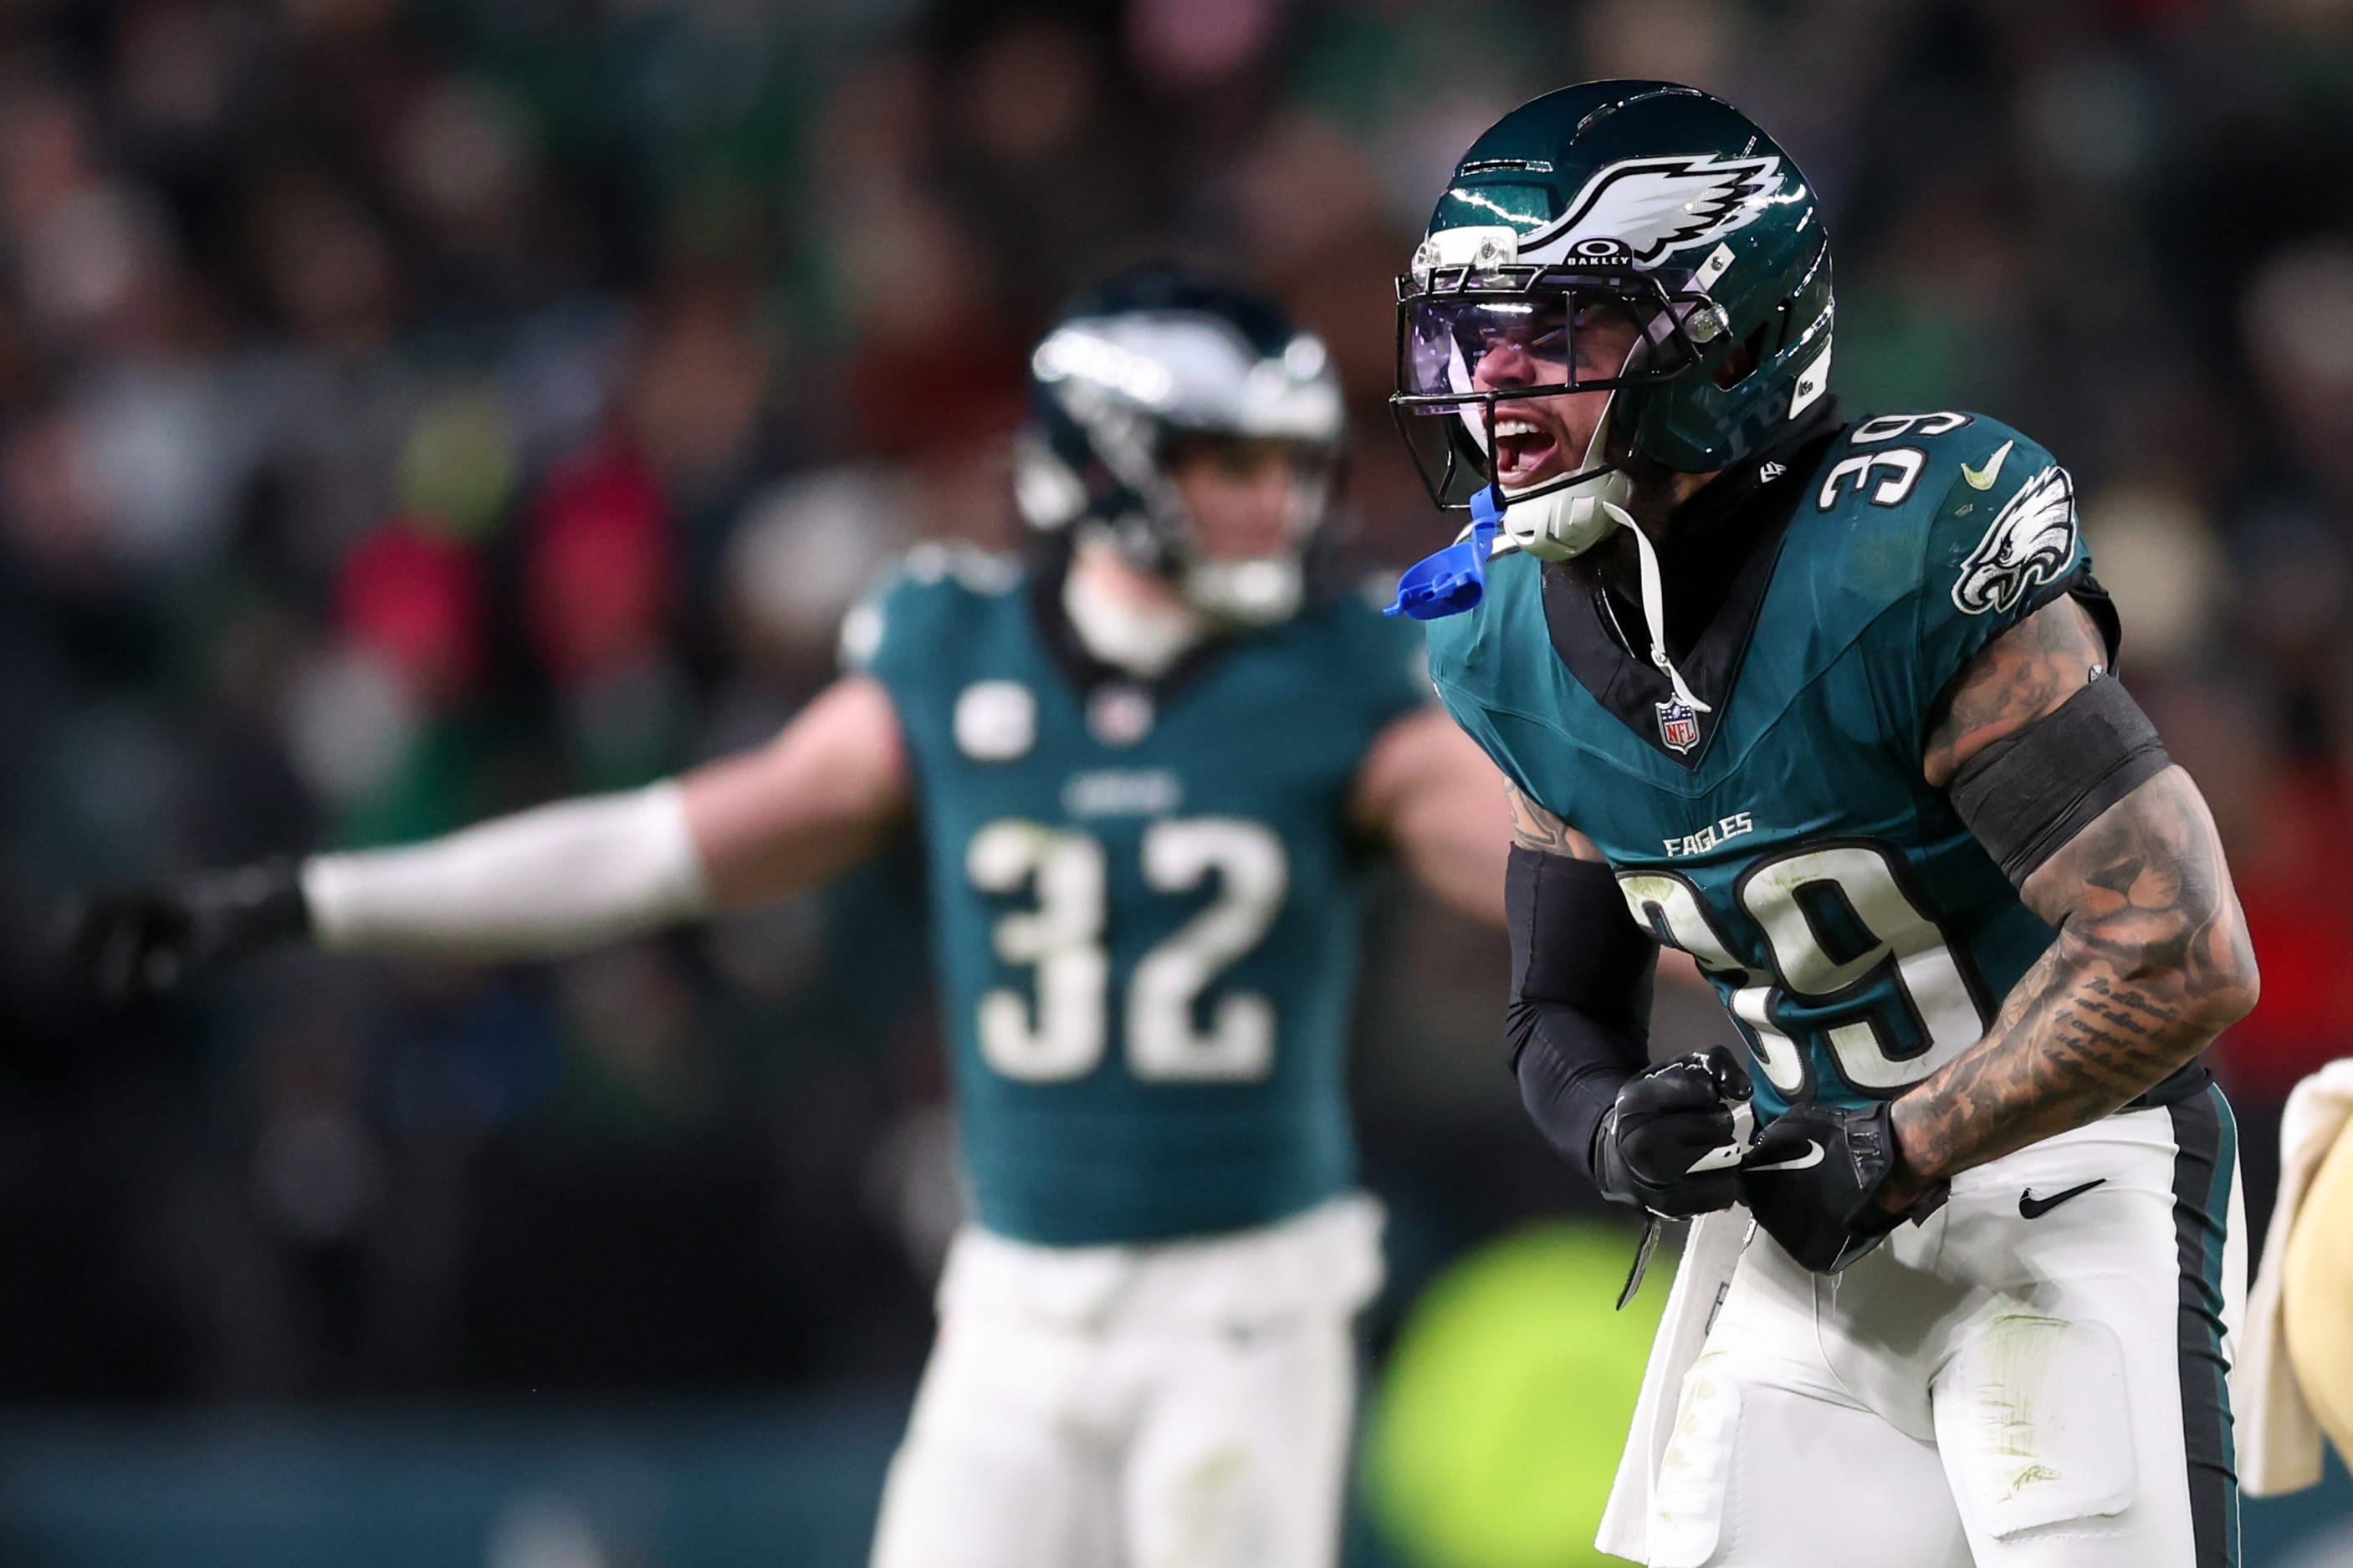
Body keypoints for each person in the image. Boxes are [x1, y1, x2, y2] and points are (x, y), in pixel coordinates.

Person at [66, 268, 1513, 1568]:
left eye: (1288, 463)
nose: (1280, 503)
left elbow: (1544, 871)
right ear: (1110, 463)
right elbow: (653, 851)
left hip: (1243, 1313)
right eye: (1232, 463)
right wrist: (327, 899)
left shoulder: (1340, 679)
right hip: (1014, 1310)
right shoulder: (952, 652)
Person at [1385, 81, 2260, 1567]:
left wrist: (1908, 1141)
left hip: (2067, 1189)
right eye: (1476, 337)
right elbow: (1555, 1012)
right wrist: (1613, 1132)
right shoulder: (1502, 642)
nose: (1498, 388)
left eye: (1561, 333)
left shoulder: (1897, 550)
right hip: (1812, 1223)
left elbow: (2177, 954)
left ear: (1721, 336)